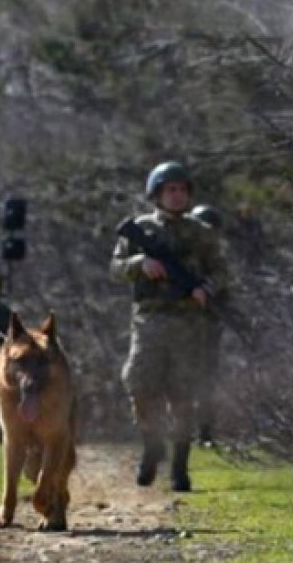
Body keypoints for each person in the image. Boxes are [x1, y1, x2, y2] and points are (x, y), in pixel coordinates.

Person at [109, 161, 228, 492]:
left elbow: (221, 270)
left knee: (183, 394)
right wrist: (140, 264)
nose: (176, 196)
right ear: (157, 194)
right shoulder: (140, 228)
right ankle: (151, 444)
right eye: (170, 190)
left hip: (189, 323)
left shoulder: (201, 233)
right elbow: (115, 268)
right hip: (149, 320)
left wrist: (206, 289)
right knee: (140, 382)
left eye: (181, 190)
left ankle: (179, 466)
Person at [189, 203, 227, 446]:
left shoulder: (216, 262)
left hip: (208, 328)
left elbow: (224, 289)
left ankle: (205, 433)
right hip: (179, 326)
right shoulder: (184, 256)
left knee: (207, 382)